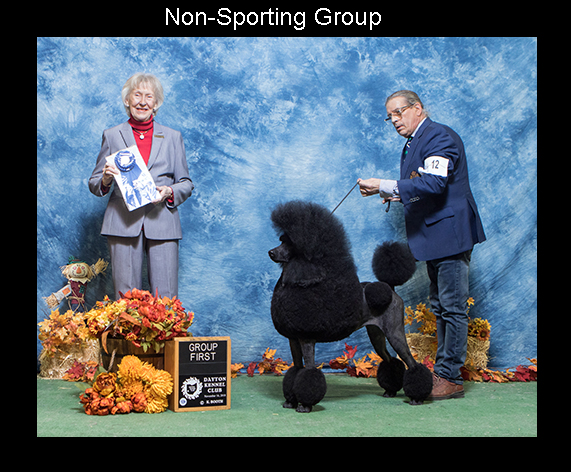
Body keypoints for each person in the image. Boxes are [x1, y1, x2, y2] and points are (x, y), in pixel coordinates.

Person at [358, 90, 486, 400]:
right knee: (441, 306)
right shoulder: (415, 142)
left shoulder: (438, 136)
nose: (394, 120)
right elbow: (422, 185)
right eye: (390, 116)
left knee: (452, 308)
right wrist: (392, 194)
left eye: (399, 112)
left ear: (417, 108)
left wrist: (383, 184)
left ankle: (450, 377)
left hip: (450, 235)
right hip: (435, 236)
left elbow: (434, 183)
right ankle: (444, 371)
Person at [89, 72, 194, 300]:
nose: (143, 102)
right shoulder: (112, 135)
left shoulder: (173, 137)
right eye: (137, 95)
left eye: (149, 96)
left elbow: (186, 183)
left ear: (156, 103)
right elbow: (94, 184)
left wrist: (169, 191)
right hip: (122, 222)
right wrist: (106, 179)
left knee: (166, 299)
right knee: (126, 299)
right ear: (127, 100)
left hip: (163, 221)